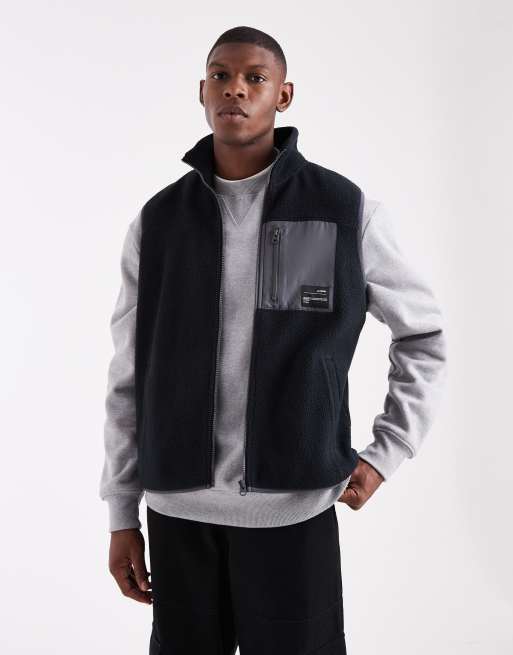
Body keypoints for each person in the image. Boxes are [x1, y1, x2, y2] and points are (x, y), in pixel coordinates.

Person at [99, 25, 448, 655]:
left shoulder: (341, 209)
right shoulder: (159, 223)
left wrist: (387, 451)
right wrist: (122, 512)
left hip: (294, 511)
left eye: (254, 78)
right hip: (178, 516)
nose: (235, 88)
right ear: (202, 91)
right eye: (221, 75)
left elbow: (423, 335)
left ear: (283, 96)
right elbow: (128, 374)